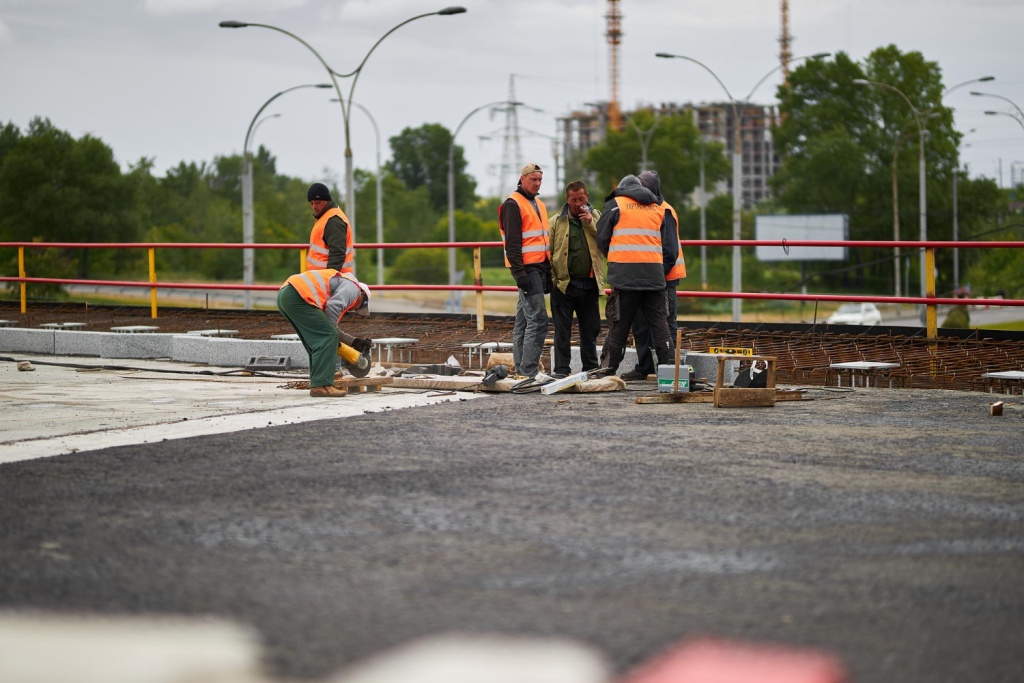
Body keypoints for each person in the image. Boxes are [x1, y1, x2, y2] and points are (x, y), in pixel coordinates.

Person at [595, 173, 677, 376]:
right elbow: (665, 243)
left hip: (625, 277)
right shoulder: (657, 208)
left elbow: (602, 238)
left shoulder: (615, 204)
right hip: (654, 277)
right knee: (660, 326)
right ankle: (671, 373)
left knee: (619, 326)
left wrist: (615, 258)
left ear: (622, 188)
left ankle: (607, 371)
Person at [620, 171, 686, 381]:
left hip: (664, 279)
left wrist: (659, 276)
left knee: (666, 323)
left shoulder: (665, 211)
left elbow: (669, 250)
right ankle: (645, 367)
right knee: (640, 323)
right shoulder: (647, 209)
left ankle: (669, 368)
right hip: (647, 278)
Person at [277, 269, 372, 397]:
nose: (356, 309)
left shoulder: (342, 284)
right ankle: (321, 385)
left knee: (316, 340)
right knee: (328, 337)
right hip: (298, 295)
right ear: (362, 295)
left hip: (288, 294)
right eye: (361, 306)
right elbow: (332, 312)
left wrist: (353, 341)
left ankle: (320, 378)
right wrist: (334, 340)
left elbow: (328, 327)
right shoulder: (353, 288)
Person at [498, 162, 551, 380]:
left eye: (540, 180)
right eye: (533, 180)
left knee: (524, 319)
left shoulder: (538, 203)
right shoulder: (513, 204)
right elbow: (512, 244)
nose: (537, 183)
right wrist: (520, 274)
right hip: (527, 269)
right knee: (538, 320)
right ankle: (528, 371)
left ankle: (522, 370)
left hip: (539, 267)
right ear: (522, 179)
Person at [548, 180, 605, 378]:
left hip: (589, 283)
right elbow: (549, 252)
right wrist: (554, 281)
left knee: (590, 330)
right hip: (564, 285)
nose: (578, 203)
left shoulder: (597, 216)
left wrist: (589, 222)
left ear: (587, 197)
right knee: (562, 331)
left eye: (581, 198)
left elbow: (605, 241)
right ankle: (562, 370)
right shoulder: (556, 221)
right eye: (574, 200)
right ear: (567, 200)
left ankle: (590, 367)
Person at [306, 182, 354, 274]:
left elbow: (337, 253)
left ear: (327, 200)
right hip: (321, 278)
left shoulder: (333, 220)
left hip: (327, 280)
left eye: (317, 203)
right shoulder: (326, 217)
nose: (314, 207)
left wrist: (329, 279)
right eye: (311, 203)